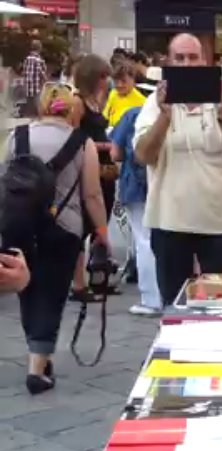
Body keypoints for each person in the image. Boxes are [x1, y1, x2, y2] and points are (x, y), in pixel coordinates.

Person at [134, 33, 222, 306]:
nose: (187, 64)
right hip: (169, 222)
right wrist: (165, 116)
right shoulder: (154, 102)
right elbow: (142, 156)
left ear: (204, 61)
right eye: (179, 58)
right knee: (175, 307)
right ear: (168, 62)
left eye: (193, 57)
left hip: (219, 222)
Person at [4, 83, 109, 394]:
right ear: (72, 110)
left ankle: (39, 353)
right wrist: (102, 232)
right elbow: (92, 195)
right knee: (52, 294)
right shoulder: (82, 142)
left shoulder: (17, 137)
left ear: (42, 107)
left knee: (26, 289)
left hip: (19, 226)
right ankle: (37, 368)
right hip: (63, 228)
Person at [70, 54, 117, 302]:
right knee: (84, 225)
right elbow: (73, 137)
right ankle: (78, 283)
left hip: (105, 170)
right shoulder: (78, 102)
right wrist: (102, 146)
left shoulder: (97, 101)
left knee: (101, 221)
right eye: (103, 76)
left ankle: (98, 273)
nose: (106, 81)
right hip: (89, 167)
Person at [111, 105, 161, 316]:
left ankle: (151, 298)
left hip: (135, 184)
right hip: (164, 184)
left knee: (144, 240)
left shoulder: (132, 114)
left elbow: (116, 153)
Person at [103, 61, 147, 128]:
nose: (119, 85)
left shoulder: (142, 102)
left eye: (124, 81)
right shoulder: (113, 93)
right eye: (116, 81)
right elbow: (105, 114)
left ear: (133, 80)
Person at [22, 40, 47, 117]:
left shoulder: (27, 58)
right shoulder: (38, 59)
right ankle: (39, 117)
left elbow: (24, 71)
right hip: (37, 84)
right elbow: (41, 72)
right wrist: (45, 79)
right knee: (38, 101)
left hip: (28, 84)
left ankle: (29, 116)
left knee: (29, 101)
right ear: (39, 48)